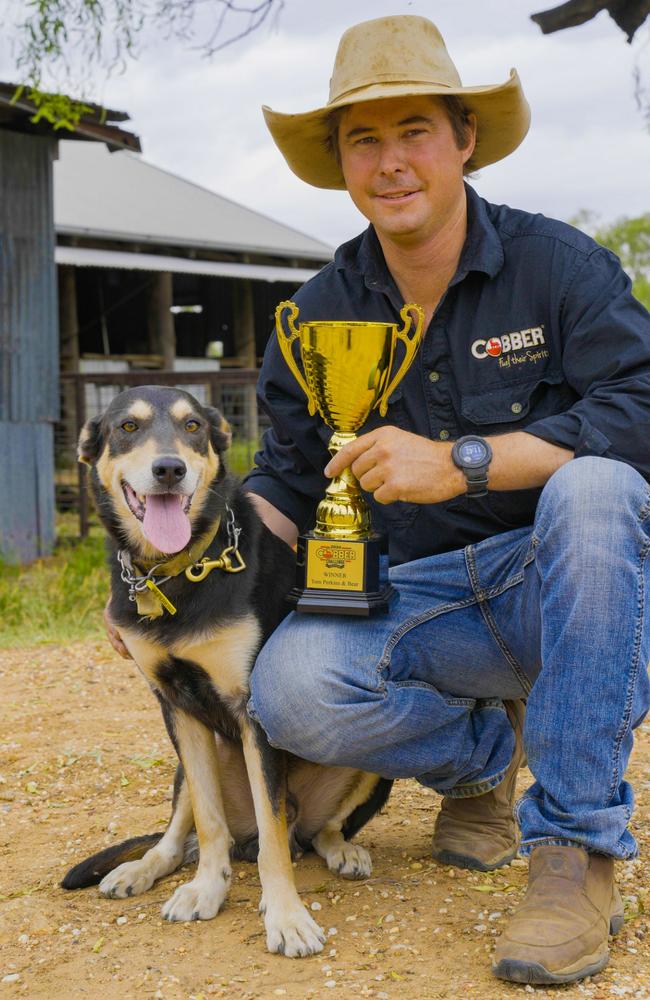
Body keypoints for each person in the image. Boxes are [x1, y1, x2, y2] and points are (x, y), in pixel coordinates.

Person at [240, 14, 650, 986]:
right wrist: (168, 574)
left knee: (595, 489)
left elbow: (638, 413)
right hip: (417, 601)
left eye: (413, 130)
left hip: (565, 589)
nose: (390, 162)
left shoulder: (558, 266)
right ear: (338, 161)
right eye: (362, 138)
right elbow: (285, 484)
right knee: (289, 691)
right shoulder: (314, 313)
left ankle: (571, 857)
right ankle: (478, 762)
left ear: (463, 139)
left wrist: (461, 462)